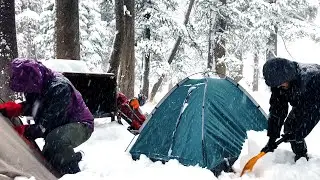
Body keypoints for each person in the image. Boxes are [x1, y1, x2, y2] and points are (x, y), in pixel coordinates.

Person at [0, 58, 94, 176]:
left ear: (32, 80)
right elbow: (35, 107)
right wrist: (17, 108)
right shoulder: (37, 84)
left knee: (56, 141)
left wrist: (26, 130)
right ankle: (66, 162)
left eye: (26, 87)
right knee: (47, 158)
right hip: (59, 123)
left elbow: (47, 123)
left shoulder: (59, 88)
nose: (25, 90)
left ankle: (74, 174)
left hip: (81, 123)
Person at [262, 57, 320, 161]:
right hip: (304, 102)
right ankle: (301, 157)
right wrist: (272, 137)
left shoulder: (313, 78)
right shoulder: (279, 83)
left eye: (281, 83)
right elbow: (277, 110)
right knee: (290, 127)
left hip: (316, 100)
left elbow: (315, 111)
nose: (279, 86)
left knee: (297, 131)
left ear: (289, 76)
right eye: (277, 85)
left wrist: (300, 132)